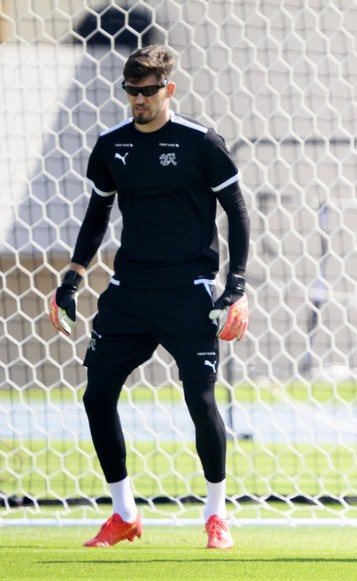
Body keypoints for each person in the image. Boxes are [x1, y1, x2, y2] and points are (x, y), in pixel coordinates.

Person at [47, 45, 250, 550]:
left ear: (169, 89)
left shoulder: (201, 142)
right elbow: (97, 215)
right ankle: (123, 513)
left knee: (200, 401)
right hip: (129, 292)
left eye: (148, 91)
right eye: (131, 91)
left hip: (189, 293)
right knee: (96, 397)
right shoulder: (111, 146)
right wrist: (72, 277)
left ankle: (216, 515)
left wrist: (238, 287)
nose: (138, 100)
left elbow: (238, 213)